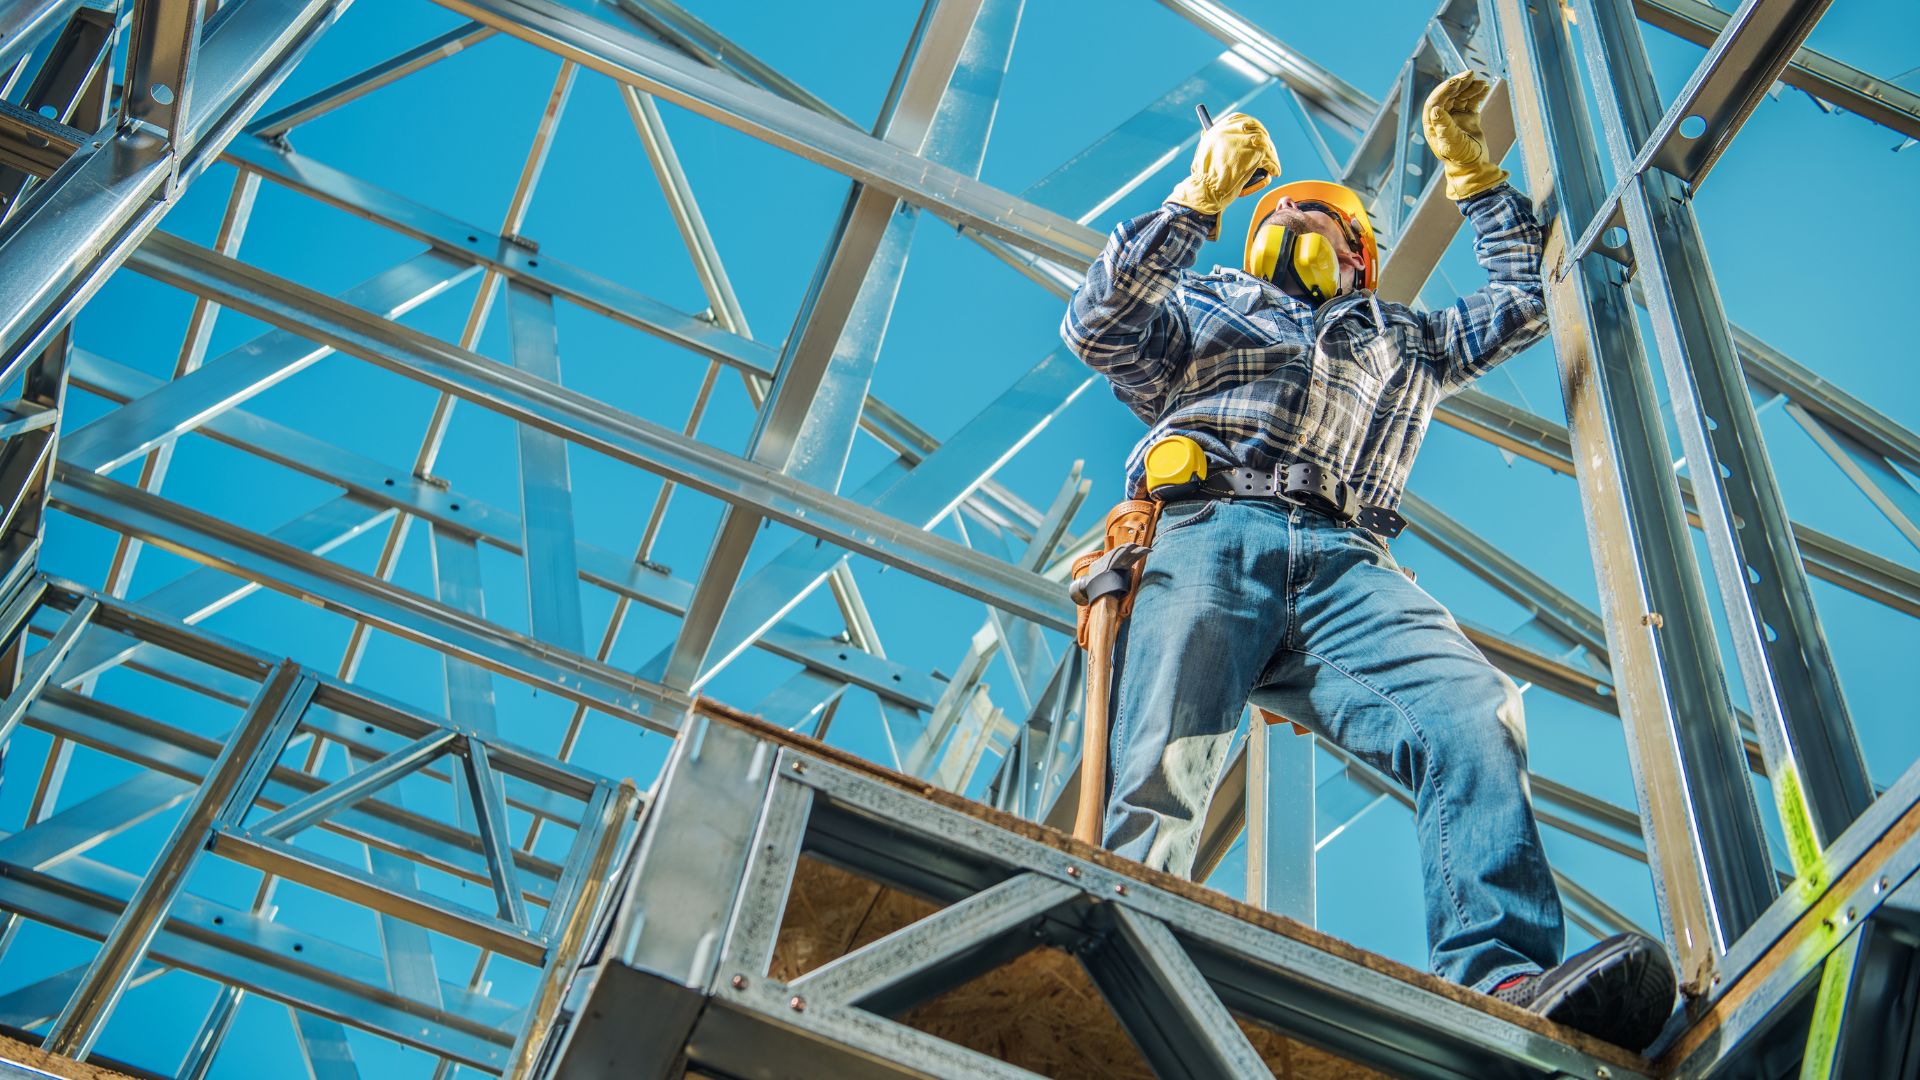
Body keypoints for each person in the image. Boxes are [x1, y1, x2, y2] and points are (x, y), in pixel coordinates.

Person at [1060, 71, 1677, 1051]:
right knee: (1169, 759)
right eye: (1278, 209)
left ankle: (1500, 975)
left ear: (1362, 256)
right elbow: (1099, 322)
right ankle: (1116, 950)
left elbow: (1524, 298)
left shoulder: (1403, 340)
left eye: (1320, 212)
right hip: (1209, 532)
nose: (1295, 216)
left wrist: (1475, 174)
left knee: (1471, 715)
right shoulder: (1207, 306)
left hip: (1349, 563)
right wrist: (1196, 201)